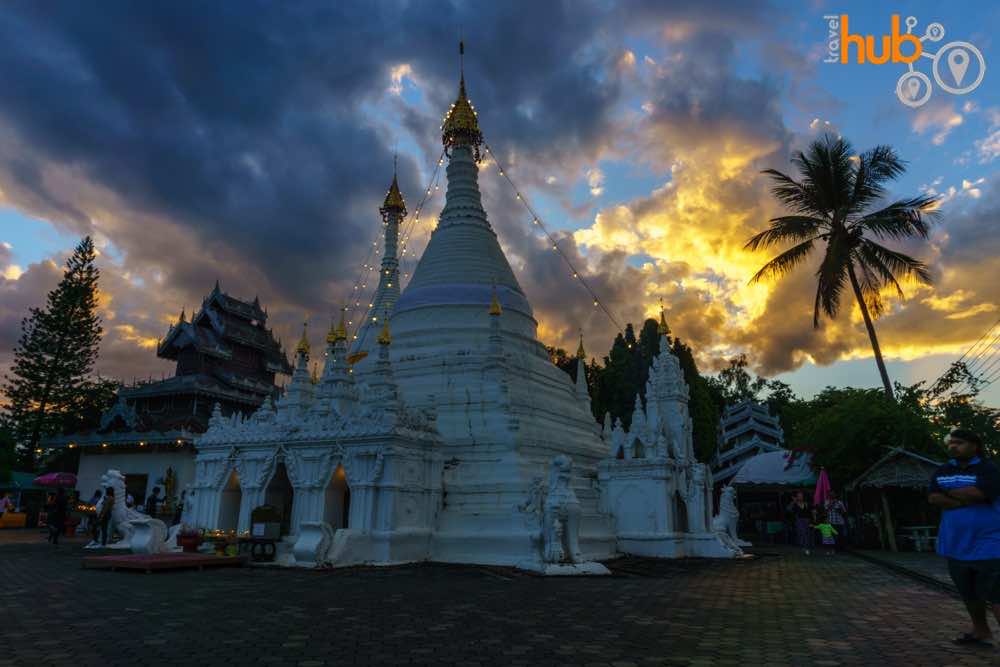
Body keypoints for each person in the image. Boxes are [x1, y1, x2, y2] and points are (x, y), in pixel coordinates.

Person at [928, 428, 1000, 649]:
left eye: (958, 443)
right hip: (955, 543)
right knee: (969, 594)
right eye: (951, 443)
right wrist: (963, 496)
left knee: (996, 594)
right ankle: (981, 633)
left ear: (974, 446)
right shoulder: (943, 469)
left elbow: (981, 493)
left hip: (989, 542)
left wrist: (948, 492)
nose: (953, 446)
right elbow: (933, 497)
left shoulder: (989, 469)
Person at [787, 491, 814, 555]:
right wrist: (793, 501)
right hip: (799, 520)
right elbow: (788, 509)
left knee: (807, 534)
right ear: (796, 497)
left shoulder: (806, 503)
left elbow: (810, 513)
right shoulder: (794, 504)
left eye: (801, 495)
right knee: (802, 533)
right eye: (799, 495)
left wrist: (811, 521)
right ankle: (804, 547)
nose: (800, 497)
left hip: (807, 520)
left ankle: (806, 548)